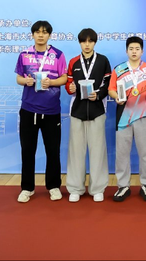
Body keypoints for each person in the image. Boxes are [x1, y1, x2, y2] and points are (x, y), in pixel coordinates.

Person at [14, 20, 68, 203]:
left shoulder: (58, 55)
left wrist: (51, 82)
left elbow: (64, 78)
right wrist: (26, 81)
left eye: (44, 32)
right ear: (32, 34)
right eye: (37, 32)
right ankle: (27, 188)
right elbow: (18, 78)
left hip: (51, 110)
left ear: (49, 35)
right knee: (27, 150)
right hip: (28, 109)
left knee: (53, 151)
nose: (41, 35)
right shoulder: (24, 54)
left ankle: (53, 186)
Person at [108, 36, 146, 202]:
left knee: (145, 153)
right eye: (131, 49)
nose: (134, 51)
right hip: (123, 117)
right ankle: (123, 186)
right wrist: (116, 97)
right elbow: (111, 89)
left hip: (143, 115)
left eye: (137, 49)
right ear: (126, 51)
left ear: (142, 51)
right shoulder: (119, 69)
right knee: (122, 153)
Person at [64, 28, 111, 202]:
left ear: (95, 42)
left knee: (98, 150)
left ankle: (97, 188)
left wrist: (98, 94)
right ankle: (75, 188)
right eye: (84, 41)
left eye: (90, 41)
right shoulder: (73, 62)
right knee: (76, 151)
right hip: (77, 111)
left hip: (97, 110)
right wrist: (70, 88)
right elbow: (69, 83)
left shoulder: (103, 60)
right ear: (80, 43)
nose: (87, 44)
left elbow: (108, 83)